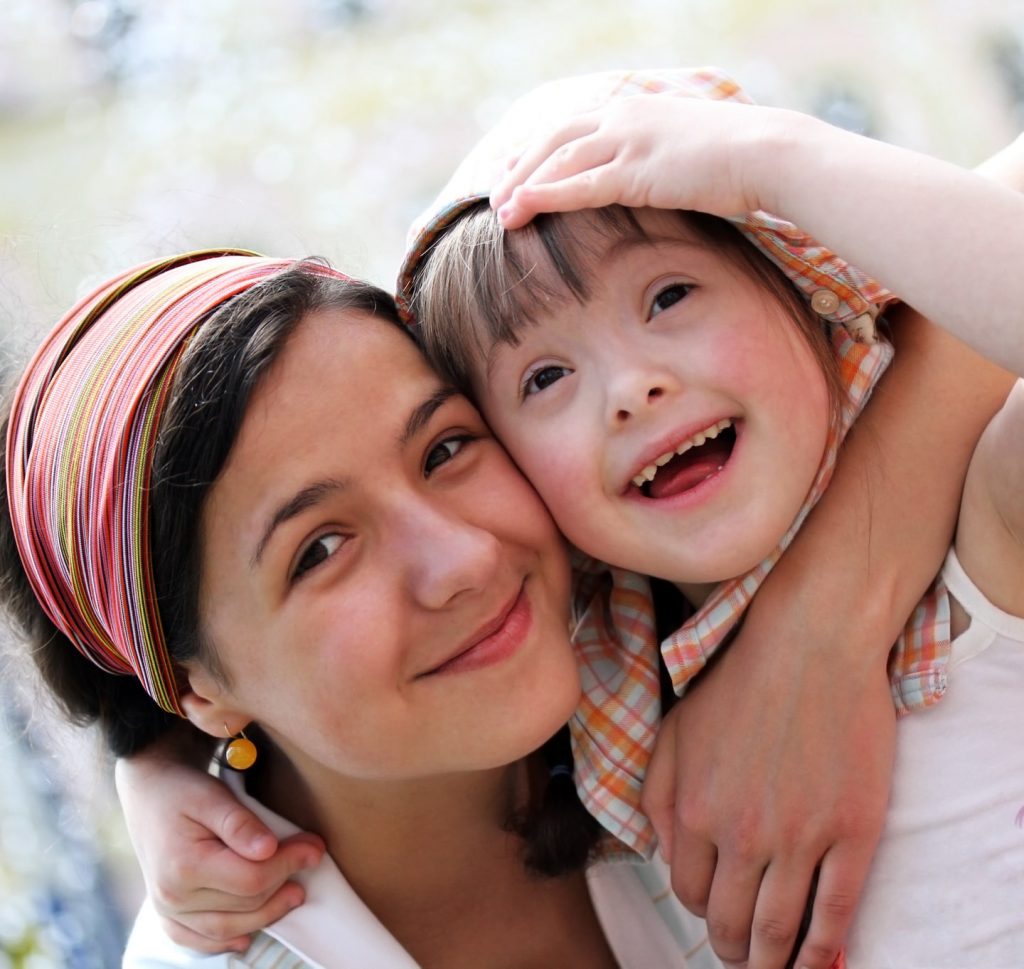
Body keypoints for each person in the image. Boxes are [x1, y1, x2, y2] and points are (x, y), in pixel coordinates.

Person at [109, 69, 1018, 969]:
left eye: (669, 297)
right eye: (543, 379)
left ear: (802, 285)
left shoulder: (976, 549)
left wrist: (771, 161)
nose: (631, 389)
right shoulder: (613, 687)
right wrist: (167, 760)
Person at [1, 251, 728, 967]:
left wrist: (813, 618)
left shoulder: (656, 605)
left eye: (444, 449)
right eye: (319, 549)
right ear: (199, 689)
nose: (465, 560)